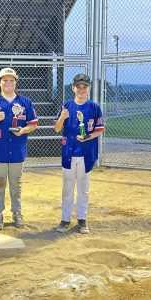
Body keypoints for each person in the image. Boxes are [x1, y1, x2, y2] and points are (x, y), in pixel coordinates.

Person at [0, 67, 38, 230]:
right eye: (5, 80)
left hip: (17, 150)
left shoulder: (25, 102)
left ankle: (17, 212)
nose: (8, 83)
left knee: (16, 183)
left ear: (15, 82)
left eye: (11, 80)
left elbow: (33, 124)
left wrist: (23, 130)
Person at [54, 74, 105, 234]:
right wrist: (62, 118)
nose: (81, 89)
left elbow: (100, 129)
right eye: (78, 86)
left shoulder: (94, 107)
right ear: (73, 88)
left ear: (89, 88)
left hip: (86, 153)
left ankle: (82, 219)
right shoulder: (67, 105)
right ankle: (65, 219)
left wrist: (88, 136)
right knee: (67, 188)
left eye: (84, 86)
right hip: (69, 153)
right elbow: (57, 129)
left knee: (83, 188)